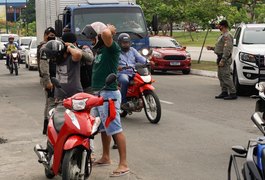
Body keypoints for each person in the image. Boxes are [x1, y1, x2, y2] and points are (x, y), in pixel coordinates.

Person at [82, 22, 130, 177]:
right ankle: (106, 157)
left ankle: (123, 164)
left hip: (108, 94)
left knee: (115, 129)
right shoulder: (101, 50)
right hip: (98, 94)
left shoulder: (112, 48)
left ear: (99, 35)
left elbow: (107, 35)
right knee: (101, 128)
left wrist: (107, 29)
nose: (90, 41)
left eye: (92, 37)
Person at [207, 20, 237, 100]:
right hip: (220, 57)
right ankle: (224, 92)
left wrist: (223, 60)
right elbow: (220, 48)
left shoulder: (227, 36)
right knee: (221, 76)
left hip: (225, 58)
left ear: (223, 26)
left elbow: (227, 49)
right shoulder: (222, 35)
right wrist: (212, 48)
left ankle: (233, 93)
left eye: (219, 25)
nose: (218, 27)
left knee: (226, 76)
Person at [117, 33, 147, 109]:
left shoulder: (133, 50)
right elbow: (112, 62)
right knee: (124, 81)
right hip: (122, 73)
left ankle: (140, 97)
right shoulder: (116, 52)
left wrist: (147, 62)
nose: (126, 45)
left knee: (142, 80)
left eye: (127, 43)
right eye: (124, 43)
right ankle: (123, 102)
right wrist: (117, 67)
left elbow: (140, 58)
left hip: (133, 72)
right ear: (120, 43)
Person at [38, 27, 57, 135]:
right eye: (49, 35)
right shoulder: (43, 48)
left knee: (50, 103)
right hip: (47, 79)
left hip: (54, 78)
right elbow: (43, 67)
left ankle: (47, 127)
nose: (51, 38)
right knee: (50, 102)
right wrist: (47, 81)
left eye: (53, 36)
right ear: (45, 36)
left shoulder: (55, 46)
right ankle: (48, 126)